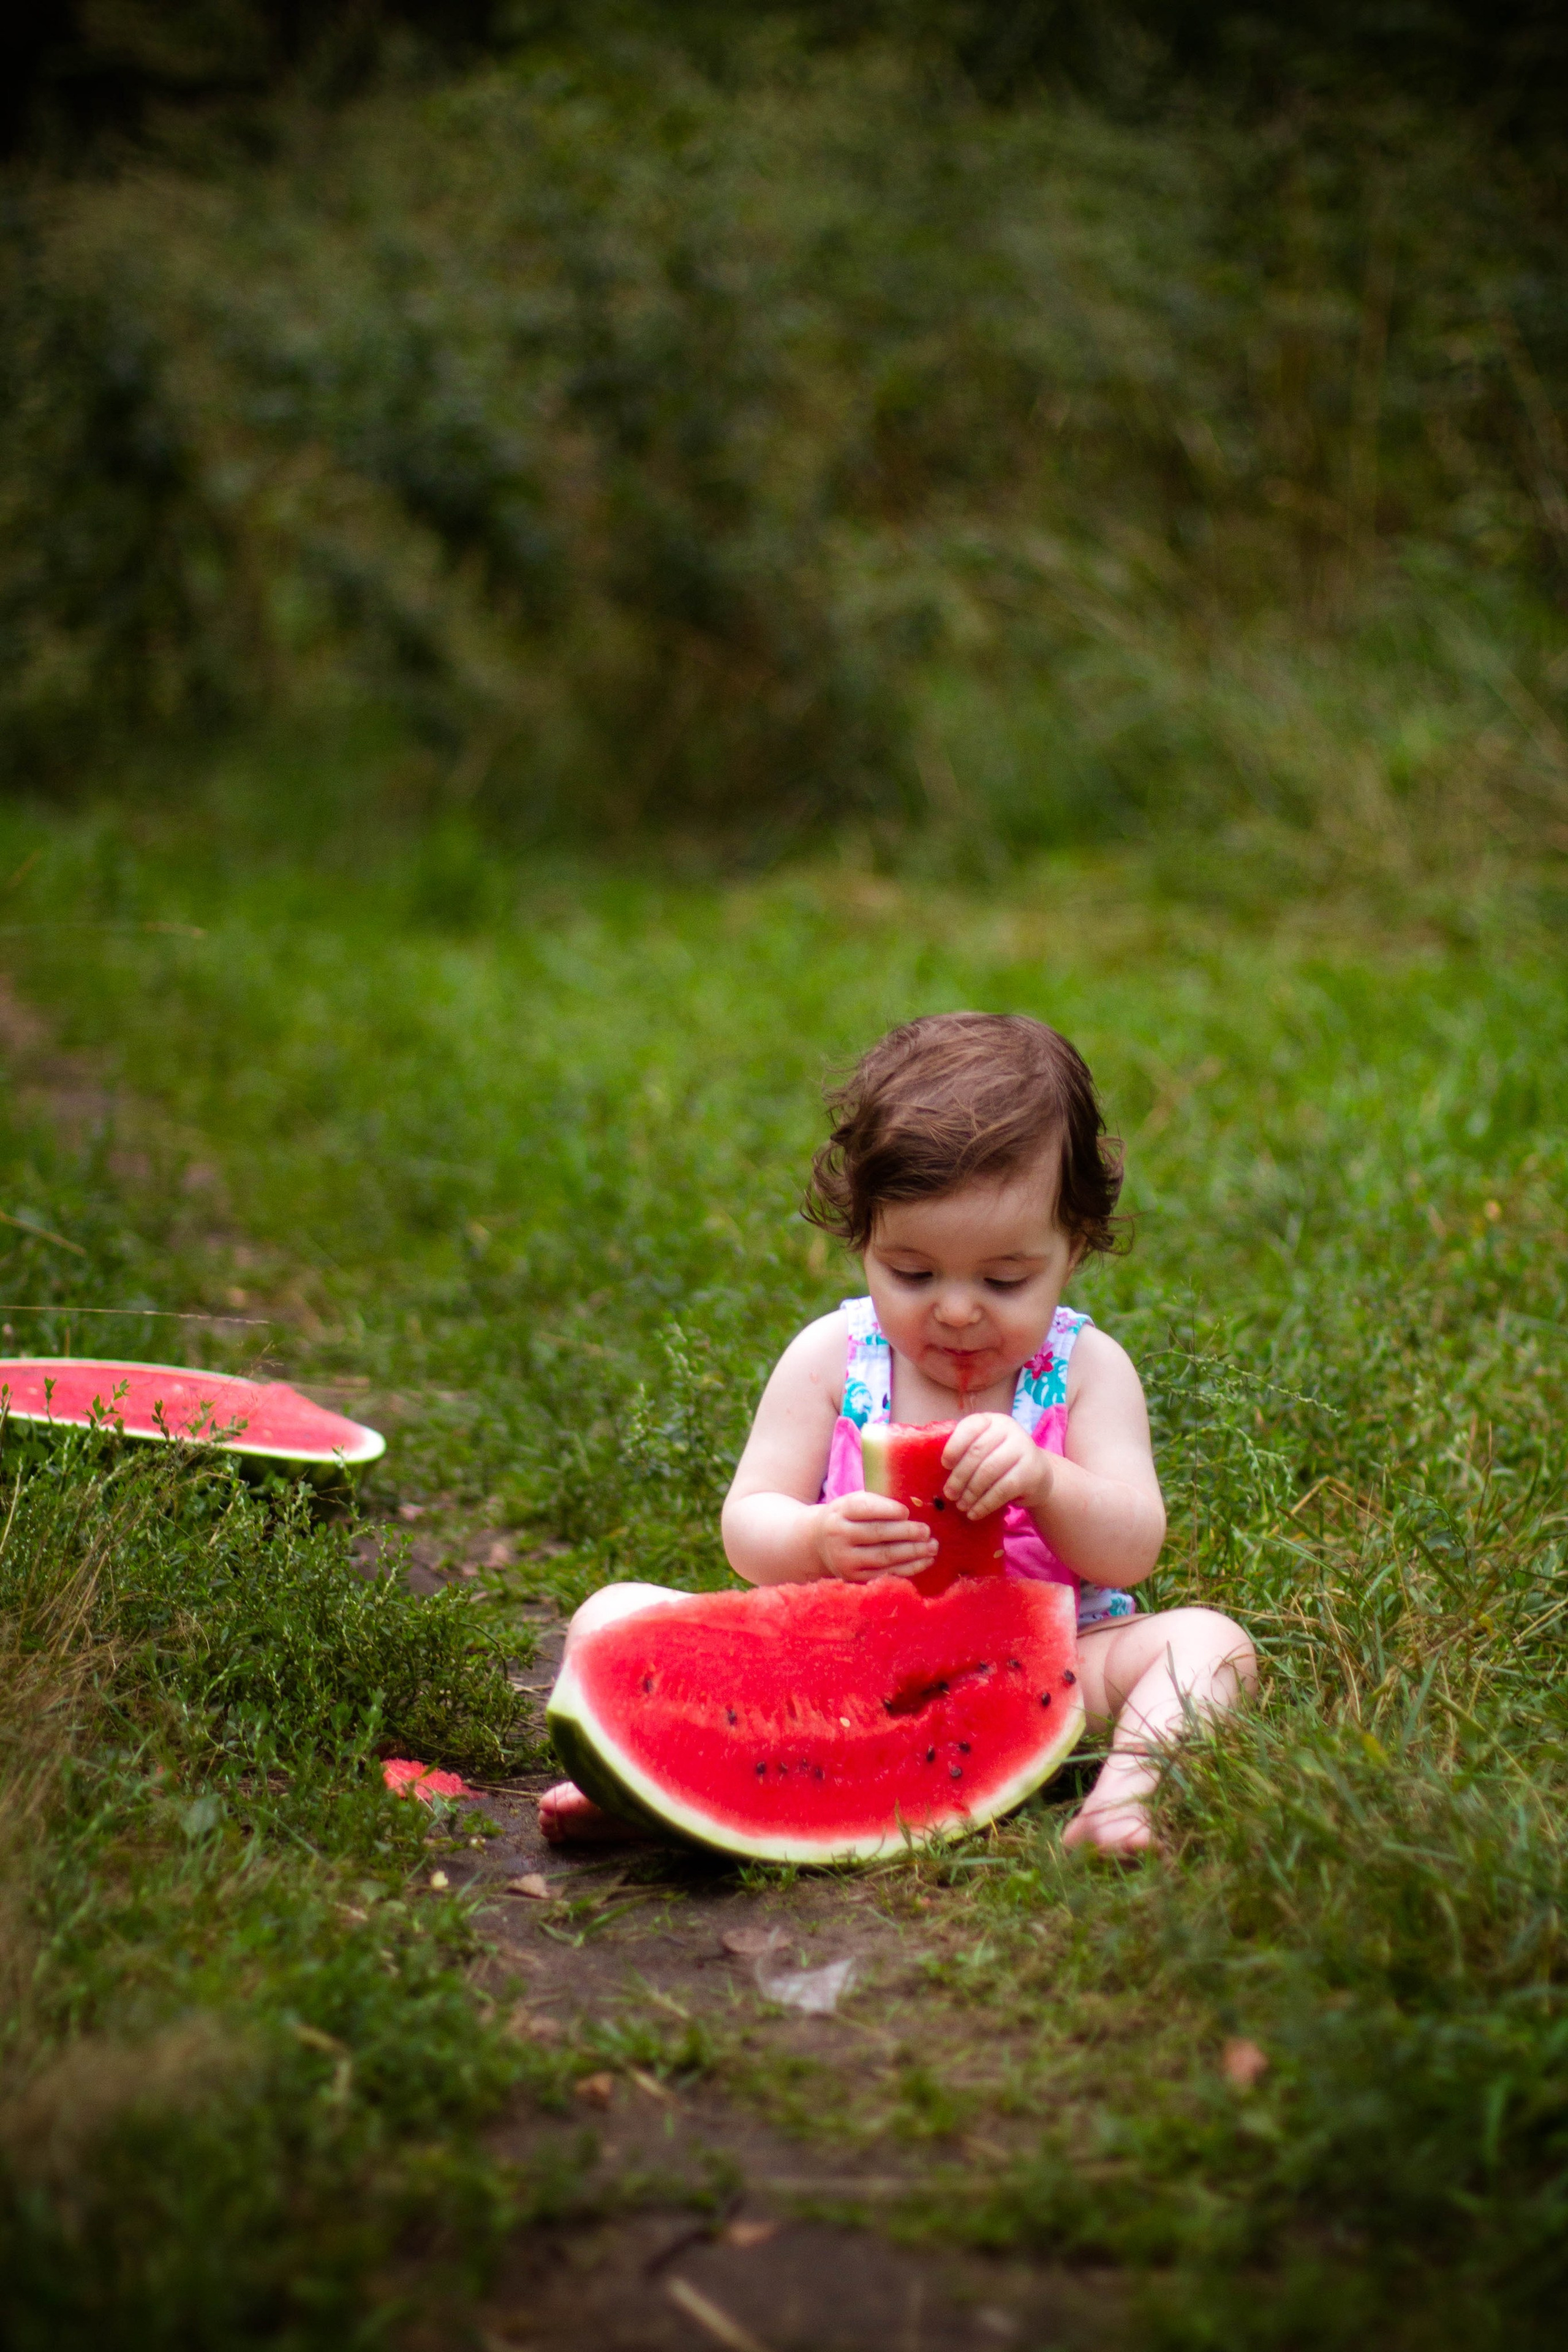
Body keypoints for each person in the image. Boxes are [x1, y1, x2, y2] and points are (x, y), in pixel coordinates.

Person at [540, 1012, 1256, 1854]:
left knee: (1212, 1644)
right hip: (840, 1665)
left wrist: (1048, 1482)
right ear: (862, 1241)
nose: (955, 1309)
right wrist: (814, 1536)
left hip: (1049, 1662)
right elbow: (748, 1525)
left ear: (1077, 1248)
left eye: (1005, 1277)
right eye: (911, 1273)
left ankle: (1125, 1798)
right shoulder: (835, 1359)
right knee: (610, 1616)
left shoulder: (1088, 1370)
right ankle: (641, 1777)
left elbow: (1132, 1550)